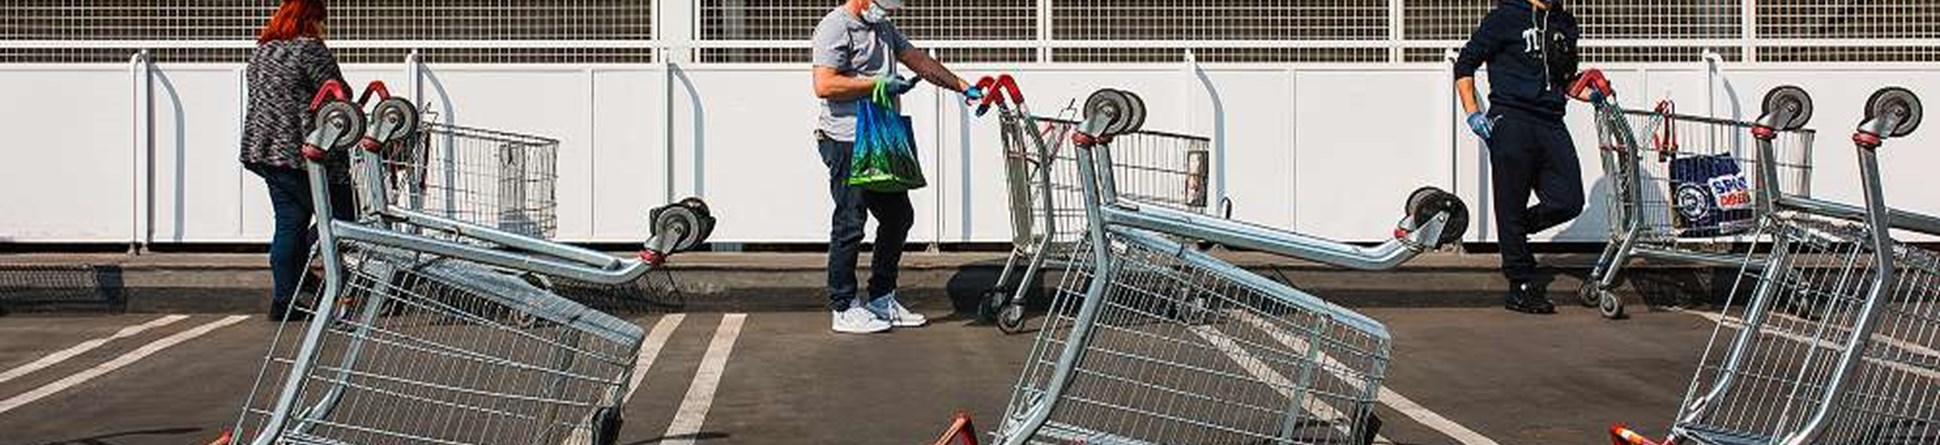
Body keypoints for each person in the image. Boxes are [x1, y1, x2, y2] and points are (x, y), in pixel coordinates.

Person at [811, 0, 983, 333]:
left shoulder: (882, 26)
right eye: (882, 5)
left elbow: (917, 59)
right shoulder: (835, 26)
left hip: (880, 138)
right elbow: (825, 84)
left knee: (897, 216)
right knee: (850, 221)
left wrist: (963, 87)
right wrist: (877, 84)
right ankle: (843, 306)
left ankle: (881, 298)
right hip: (847, 140)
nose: (887, 13)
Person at [1453, 0, 1610, 314]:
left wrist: (1591, 94)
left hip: (1551, 121)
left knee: (1569, 200)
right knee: (1510, 200)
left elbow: (1565, 80)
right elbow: (1465, 64)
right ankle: (1520, 284)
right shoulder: (1504, 17)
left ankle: (1514, 230)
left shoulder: (1565, 23)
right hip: (1511, 119)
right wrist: (1473, 113)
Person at [241, 0, 355, 322]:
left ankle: (285, 298)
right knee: (344, 212)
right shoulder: (309, 48)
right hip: (301, 153)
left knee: (289, 221)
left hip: (263, 151)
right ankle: (306, 277)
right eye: (321, 21)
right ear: (310, 19)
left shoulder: (262, 51)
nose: (323, 28)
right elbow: (338, 94)